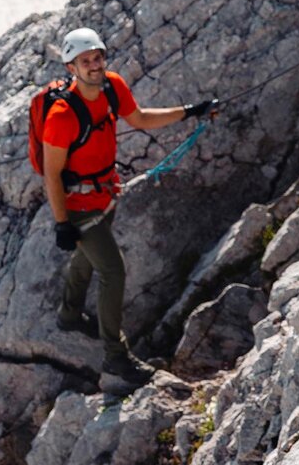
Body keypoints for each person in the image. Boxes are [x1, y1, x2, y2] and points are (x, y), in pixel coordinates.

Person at [39, 26, 216, 384]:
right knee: (112, 272)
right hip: (79, 204)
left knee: (86, 255)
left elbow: (139, 119)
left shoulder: (112, 86)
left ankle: (70, 314)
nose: (94, 65)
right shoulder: (61, 117)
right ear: (71, 68)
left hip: (105, 192)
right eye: (85, 61)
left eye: (98, 58)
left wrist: (190, 111)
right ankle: (115, 357)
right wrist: (62, 222)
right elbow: (51, 174)